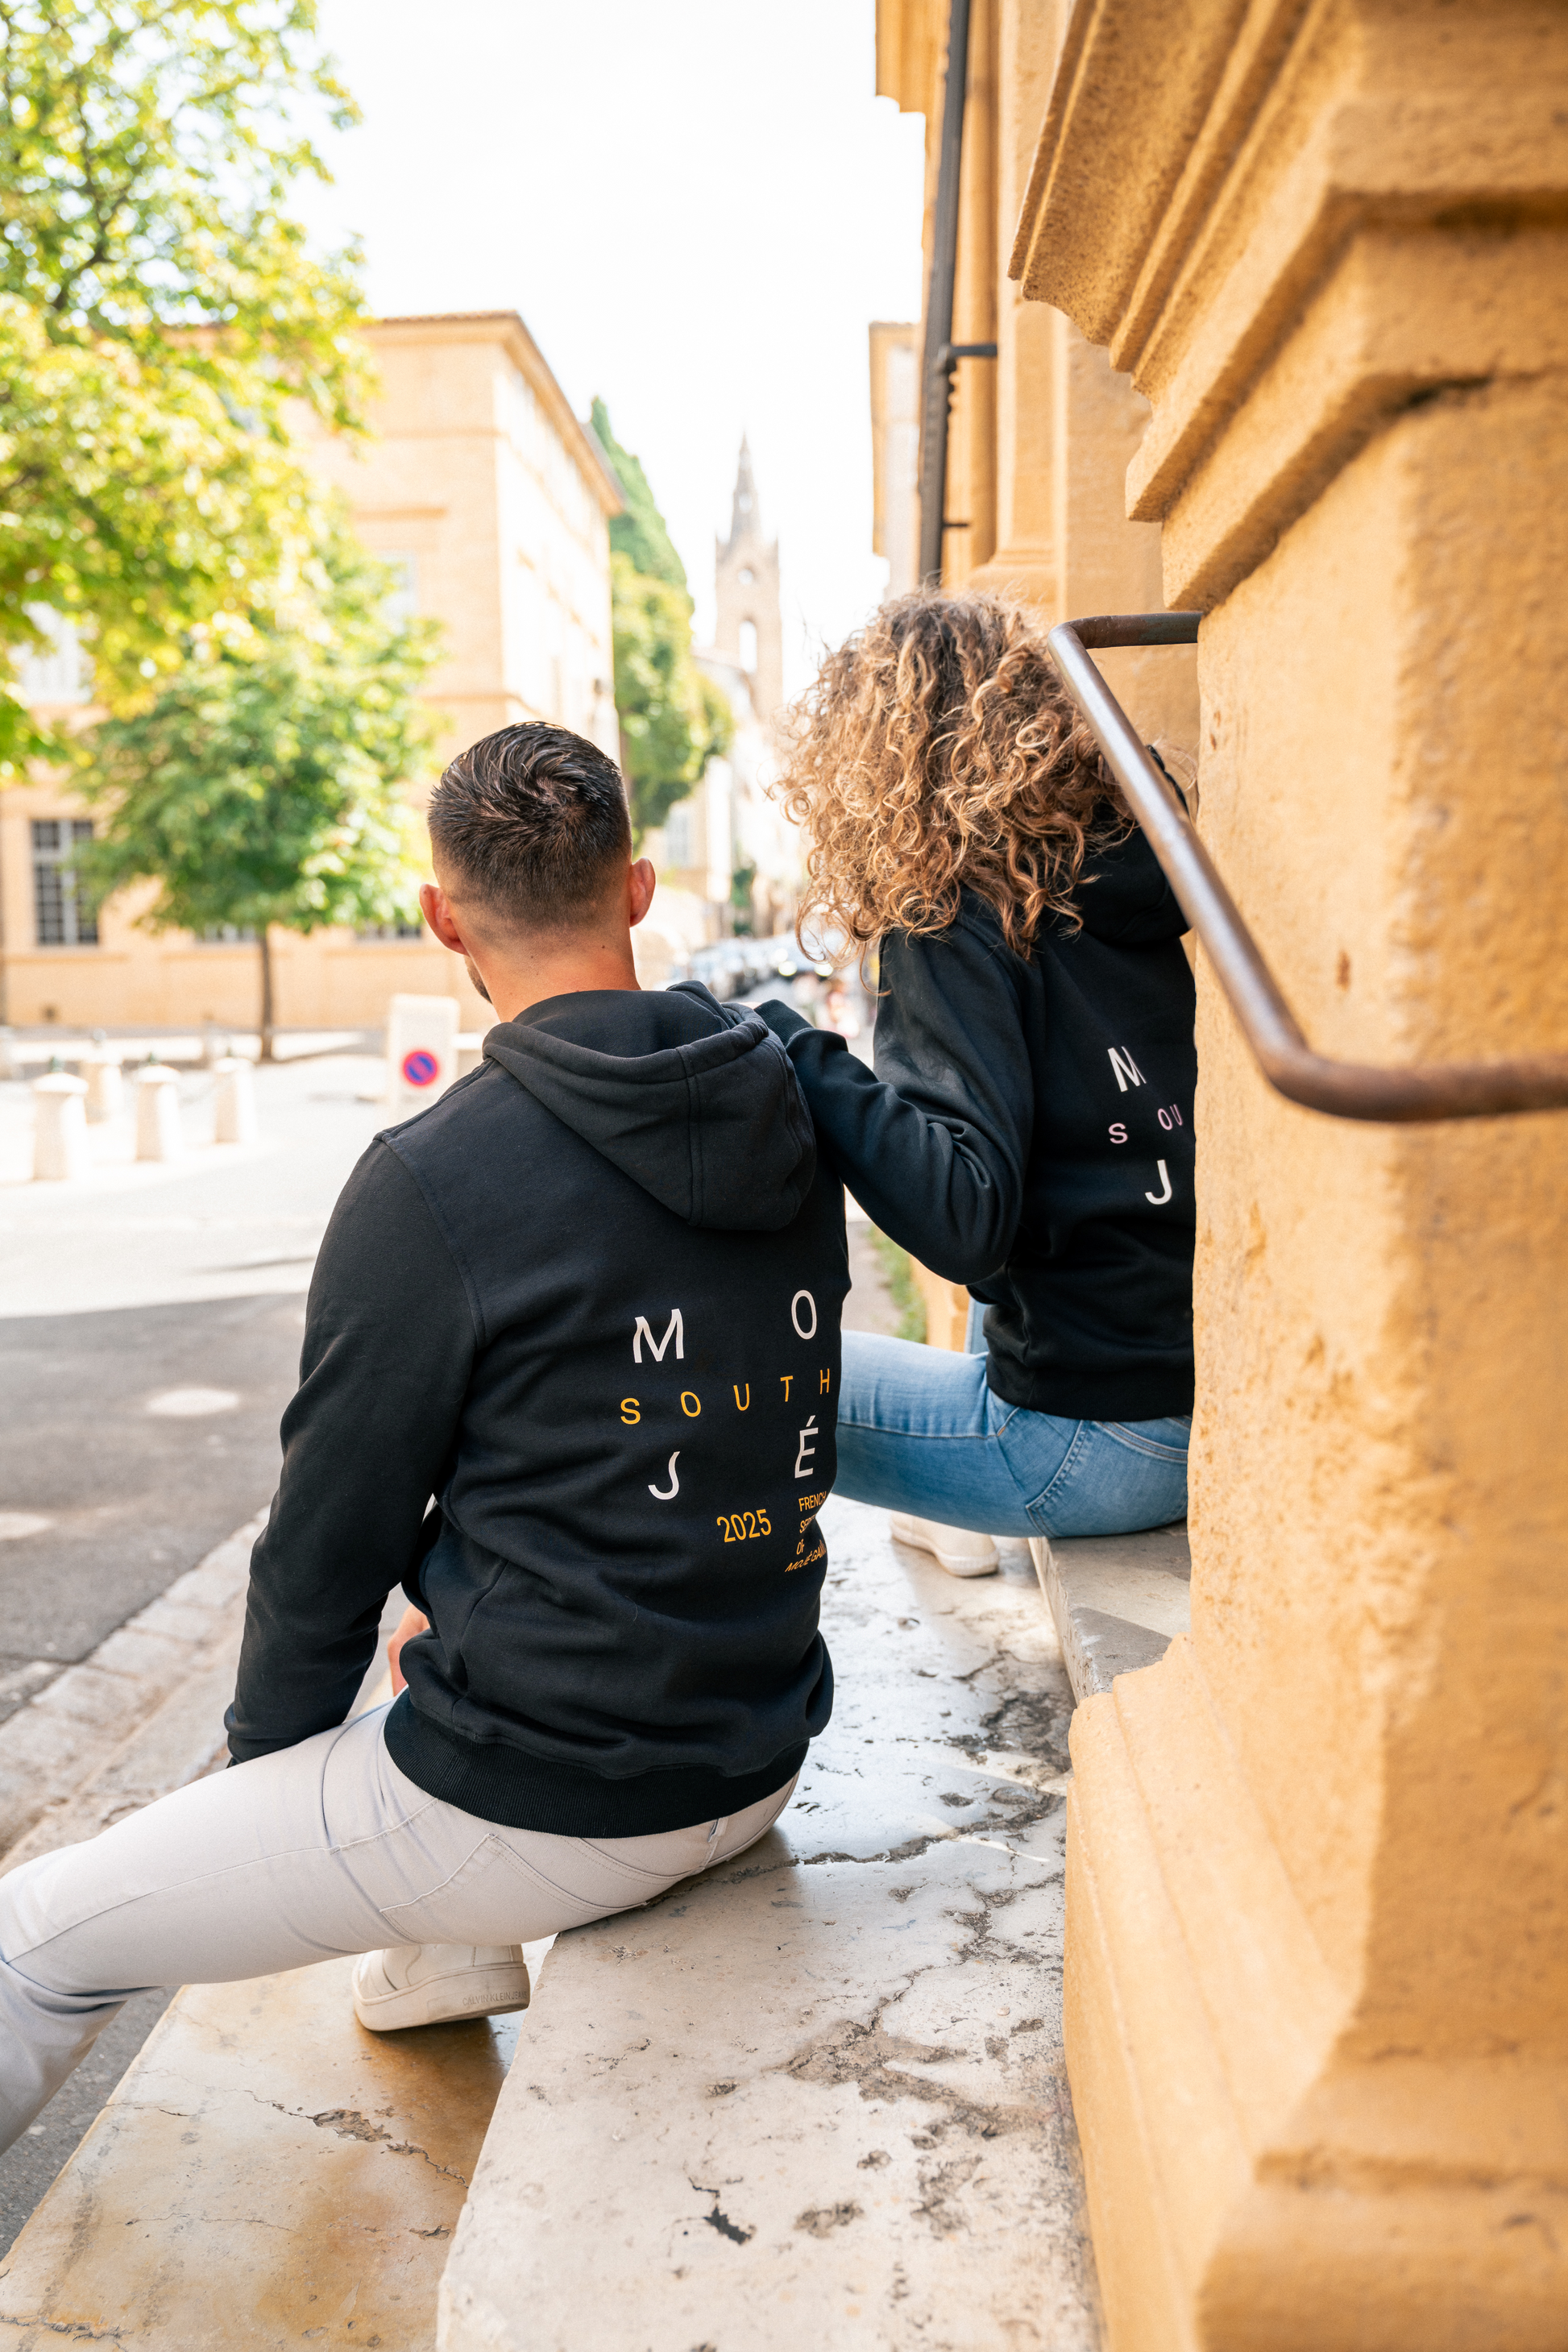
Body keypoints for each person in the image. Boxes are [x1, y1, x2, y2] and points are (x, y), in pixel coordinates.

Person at [0, 723, 846, 2147]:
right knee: (425, 1641)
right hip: (755, 1743)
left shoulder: (433, 1174)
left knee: (33, 1935)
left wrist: (267, 1766)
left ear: (441, 914)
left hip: (564, 1794)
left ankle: (433, 1899)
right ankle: (442, 1949)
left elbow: (329, 1539)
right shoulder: (791, 1096)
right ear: (638, 890)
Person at [758, 589, 1195, 1578]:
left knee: (719, 1361)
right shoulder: (1112, 878)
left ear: (876, 755)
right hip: (1192, 1386)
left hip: (1088, 1445)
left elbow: (961, 1217)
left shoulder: (950, 918)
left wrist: (796, 1050)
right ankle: (946, 1511)